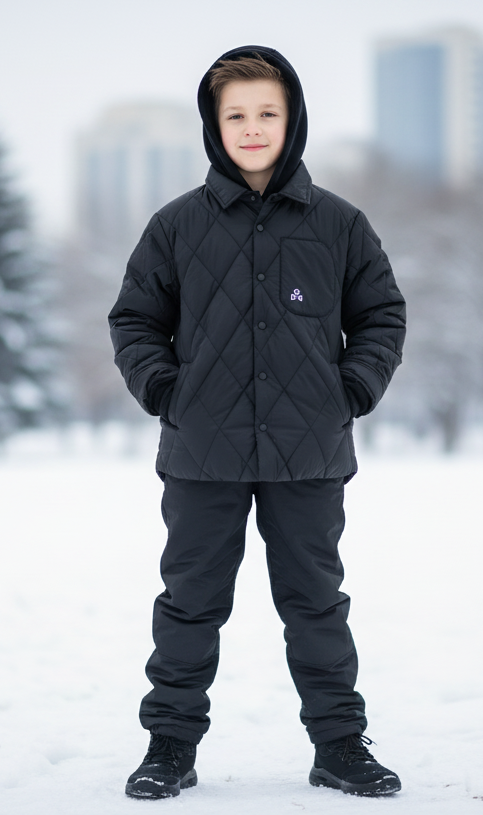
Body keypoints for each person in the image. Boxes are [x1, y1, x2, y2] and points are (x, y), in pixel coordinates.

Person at [108, 44, 407, 799]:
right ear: (213, 124)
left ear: (292, 119)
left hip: (309, 451)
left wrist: (350, 392)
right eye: (235, 114)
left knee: (316, 605)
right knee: (190, 604)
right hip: (201, 450)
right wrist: (166, 391)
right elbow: (135, 320)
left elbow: (382, 316)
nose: (251, 128)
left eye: (266, 113)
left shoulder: (339, 224)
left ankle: (339, 746)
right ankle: (168, 748)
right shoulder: (176, 225)